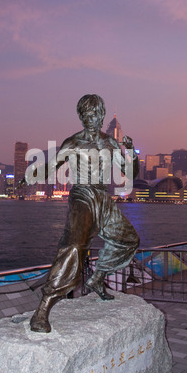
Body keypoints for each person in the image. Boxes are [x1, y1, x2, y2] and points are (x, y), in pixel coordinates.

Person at [25, 94, 140, 332]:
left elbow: (130, 172)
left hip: (103, 197)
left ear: (102, 116)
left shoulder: (110, 143)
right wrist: (33, 174)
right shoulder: (73, 142)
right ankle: (44, 307)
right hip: (82, 195)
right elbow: (54, 165)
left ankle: (98, 278)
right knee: (75, 244)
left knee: (129, 239)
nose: (91, 119)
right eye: (86, 115)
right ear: (80, 117)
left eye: (95, 115)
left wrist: (132, 152)